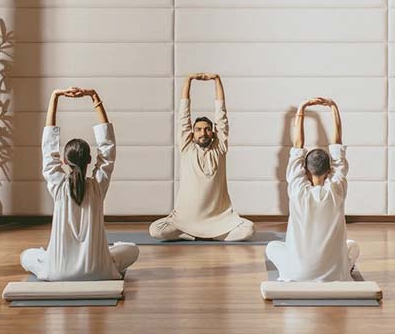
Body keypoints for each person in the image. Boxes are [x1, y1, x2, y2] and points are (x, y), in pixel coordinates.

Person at [20, 88, 138, 280]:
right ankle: (107, 254)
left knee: (26, 256)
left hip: (57, 272)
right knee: (131, 249)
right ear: (90, 160)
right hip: (98, 271)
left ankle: (49, 256)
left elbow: (48, 149)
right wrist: (94, 96)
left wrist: (55, 96)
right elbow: (108, 149)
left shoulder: (58, 186)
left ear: (65, 162)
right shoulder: (98, 186)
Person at [149, 73, 254, 241]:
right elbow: (183, 116)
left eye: (206, 129)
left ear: (212, 132)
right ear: (192, 133)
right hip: (185, 219)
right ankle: (193, 233)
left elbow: (222, 115)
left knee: (249, 230)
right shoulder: (186, 147)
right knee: (156, 231)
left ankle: (207, 233)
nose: (202, 133)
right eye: (198, 129)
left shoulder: (219, 148)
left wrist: (217, 80)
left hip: (218, 220)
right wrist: (188, 80)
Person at [265, 97, 359, 282]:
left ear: (305, 169)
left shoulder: (297, 188)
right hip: (335, 275)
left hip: (297, 274)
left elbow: (297, 146)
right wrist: (333, 107)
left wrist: (302, 108)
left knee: (272, 247)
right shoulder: (337, 188)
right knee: (352, 246)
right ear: (330, 170)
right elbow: (338, 146)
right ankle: (341, 267)